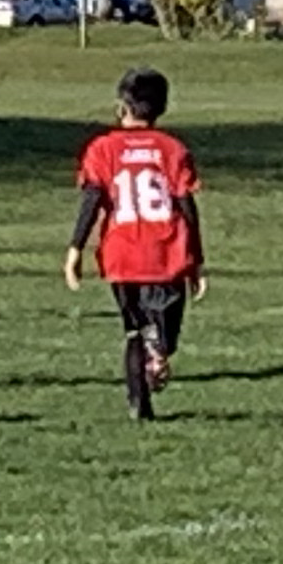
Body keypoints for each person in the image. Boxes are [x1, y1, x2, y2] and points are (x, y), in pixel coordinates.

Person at [63, 67, 203, 421]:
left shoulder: (102, 149)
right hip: (165, 250)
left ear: (120, 106)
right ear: (162, 109)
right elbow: (186, 204)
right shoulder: (172, 149)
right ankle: (159, 350)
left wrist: (76, 247)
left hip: (121, 253)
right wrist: (197, 260)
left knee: (133, 329)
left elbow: (92, 198)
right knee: (163, 332)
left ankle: (139, 405)